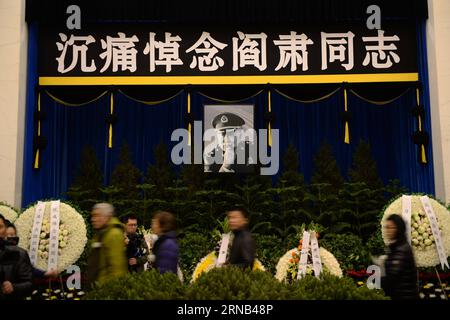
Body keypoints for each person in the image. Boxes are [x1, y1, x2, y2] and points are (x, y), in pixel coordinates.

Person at [86, 203, 127, 288]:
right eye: (93, 216)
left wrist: (108, 292)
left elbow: (117, 268)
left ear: (107, 216)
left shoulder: (114, 234)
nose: (93, 219)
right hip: (96, 286)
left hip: (104, 288)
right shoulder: (101, 232)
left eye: (97, 216)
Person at [381, 214, 419, 300]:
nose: (388, 230)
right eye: (386, 227)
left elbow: (392, 277)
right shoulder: (396, 246)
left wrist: (376, 280)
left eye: (391, 228)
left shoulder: (401, 249)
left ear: (399, 229)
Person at [0, 214, 33, 300]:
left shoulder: (19, 254)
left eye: (0, 227)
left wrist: (14, 287)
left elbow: (29, 284)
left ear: (5, 231)